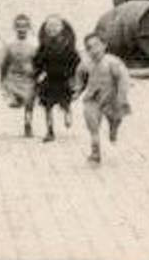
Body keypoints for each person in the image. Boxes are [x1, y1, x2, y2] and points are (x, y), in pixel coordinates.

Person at [75, 32, 131, 165]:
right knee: (93, 126)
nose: (93, 50)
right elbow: (80, 78)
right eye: (89, 47)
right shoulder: (85, 64)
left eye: (96, 46)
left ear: (104, 46)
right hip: (92, 99)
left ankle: (113, 129)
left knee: (115, 119)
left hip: (111, 98)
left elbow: (123, 80)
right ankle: (95, 153)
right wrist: (77, 91)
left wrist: (122, 97)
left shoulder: (113, 62)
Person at [31, 15, 80, 142]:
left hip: (63, 80)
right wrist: (37, 75)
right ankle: (50, 131)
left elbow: (75, 62)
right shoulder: (43, 46)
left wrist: (72, 76)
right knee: (47, 107)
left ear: (61, 29)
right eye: (49, 28)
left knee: (65, 102)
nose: (52, 30)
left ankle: (68, 112)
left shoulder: (68, 46)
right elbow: (37, 62)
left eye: (55, 27)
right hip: (49, 80)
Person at [0, 13, 39, 138]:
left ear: (29, 27)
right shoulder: (9, 43)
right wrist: (1, 73)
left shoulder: (34, 43)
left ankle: (28, 124)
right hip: (14, 76)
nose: (21, 29)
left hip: (29, 76)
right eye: (19, 26)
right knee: (17, 101)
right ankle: (17, 100)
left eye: (24, 26)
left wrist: (39, 73)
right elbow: (3, 60)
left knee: (30, 101)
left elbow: (39, 60)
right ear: (15, 28)